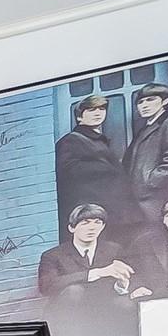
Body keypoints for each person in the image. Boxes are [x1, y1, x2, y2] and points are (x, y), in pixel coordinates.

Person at [37, 203, 139, 336]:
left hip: (101, 305)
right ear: (71, 228)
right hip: (67, 309)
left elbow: (127, 282)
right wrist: (96, 273)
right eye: (85, 223)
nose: (91, 228)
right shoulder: (53, 255)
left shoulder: (113, 249)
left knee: (127, 303)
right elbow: (47, 286)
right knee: (74, 291)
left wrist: (122, 283)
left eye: (97, 223)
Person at [54, 94, 136, 242]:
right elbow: (68, 171)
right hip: (95, 210)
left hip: (113, 209)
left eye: (101, 109)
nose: (98, 113)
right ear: (79, 117)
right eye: (91, 110)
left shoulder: (99, 140)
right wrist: (106, 169)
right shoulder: (71, 140)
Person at [124, 83, 168, 226]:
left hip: (159, 197)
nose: (144, 105)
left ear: (165, 101)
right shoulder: (145, 129)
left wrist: (151, 180)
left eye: (151, 100)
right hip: (142, 200)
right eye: (140, 102)